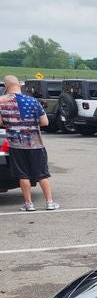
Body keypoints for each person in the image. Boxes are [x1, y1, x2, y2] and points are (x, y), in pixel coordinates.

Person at [0, 75, 59, 212]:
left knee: (23, 174)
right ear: (20, 84)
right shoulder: (33, 101)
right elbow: (45, 122)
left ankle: (28, 204)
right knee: (42, 174)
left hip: (15, 144)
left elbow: (0, 122)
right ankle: (49, 202)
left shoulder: (2, 102)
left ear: (6, 86)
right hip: (35, 143)